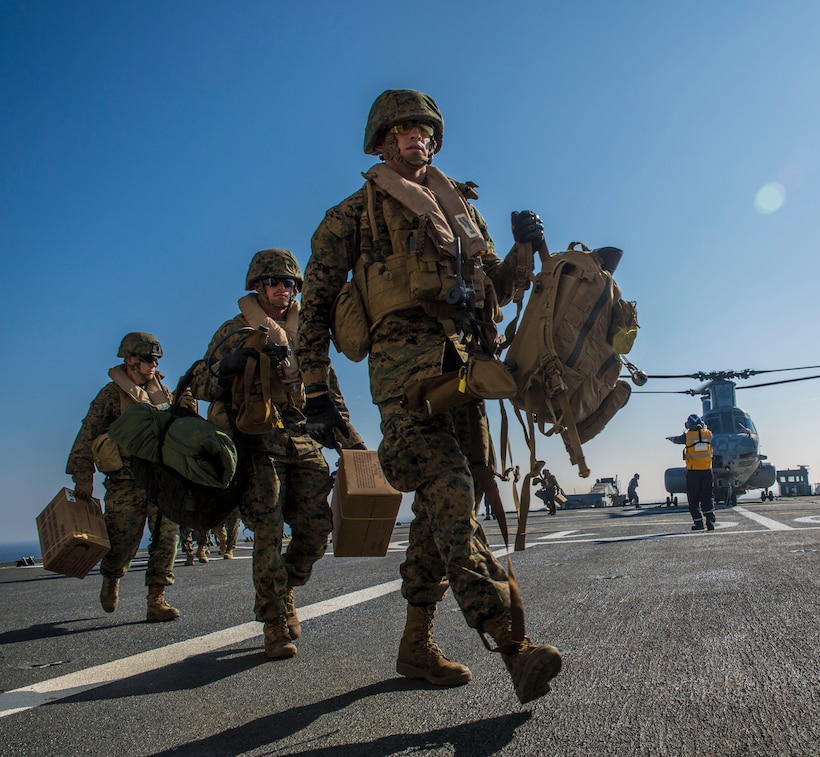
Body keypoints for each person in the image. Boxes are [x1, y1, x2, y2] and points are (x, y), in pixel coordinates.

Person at [297, 88, 562, 703]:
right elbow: (314, 302)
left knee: (441, 520)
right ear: (382, 141)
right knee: (448, 494)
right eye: (404, 130)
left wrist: (523, 249)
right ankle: (512, 643)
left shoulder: (462, 212)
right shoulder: (351, 215)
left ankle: (415, 645)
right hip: (405, 381)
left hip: (465, 373)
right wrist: (313, 386)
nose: (418, 138)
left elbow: (497, 283)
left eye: (425, 130)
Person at [191, 248, 365, 659]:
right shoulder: (233, 330)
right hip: (256, 443)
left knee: (318, 529)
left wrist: (353, 444)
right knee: (267, 535)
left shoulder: (306, 333)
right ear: (257, 285)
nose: (283, 290)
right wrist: (228, 366)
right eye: (274, 282)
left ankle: (285, 585)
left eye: (290, 283)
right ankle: (274, 622)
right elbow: (199, 384)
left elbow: (330, 394)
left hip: (301, 440)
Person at [66, 331, 193, 621]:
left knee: (167, 538)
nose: (153, 366)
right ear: (130, 360)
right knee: (123, 539)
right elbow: (87, 435)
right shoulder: (110, 396)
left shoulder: (164, 393)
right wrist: (82, 478)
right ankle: (112, 576)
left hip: (162, 478)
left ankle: (156, 599)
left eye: (156, 360)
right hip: (126, 480)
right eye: (148, 360)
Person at [667, 414, 716, 531]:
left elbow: (677, 440)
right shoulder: (708, 434)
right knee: (708, 496)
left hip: (693, 472)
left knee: (693, 498)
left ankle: (699, 523)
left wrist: (670, 438)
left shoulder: (688, 436)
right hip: (707, 471)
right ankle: (710, 520)